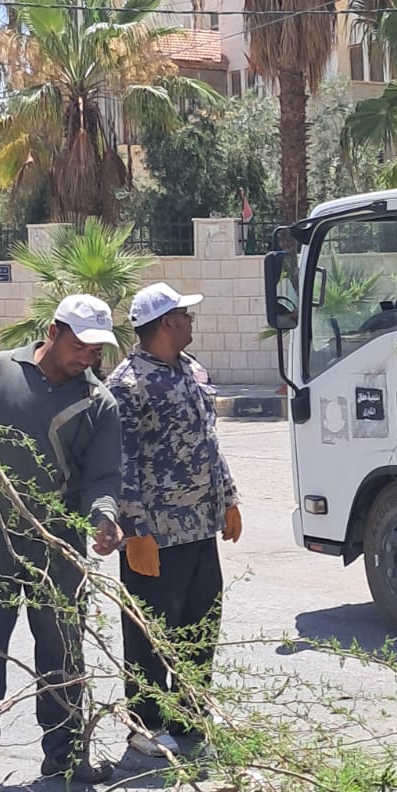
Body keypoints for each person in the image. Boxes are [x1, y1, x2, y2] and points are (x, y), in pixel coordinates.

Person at [0, 296, 124, 792]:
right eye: (80, 346)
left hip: (57, 538)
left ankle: (67, 756)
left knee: (63, 650)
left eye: (96, 350)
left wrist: (106, 519)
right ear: (52, 331)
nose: (88, 358)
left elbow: (103, 477)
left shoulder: (99, 402)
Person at [107, 282, 241, 759]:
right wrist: (135, 532)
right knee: (150, 633)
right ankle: (145, 724)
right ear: (166, 323)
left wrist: (228, 499)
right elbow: (120, 463)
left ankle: (190, 717)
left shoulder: (191, 370)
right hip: (156, 537)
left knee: (199, 627)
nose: (191, 321)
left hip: (200, 528)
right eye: (184, 314)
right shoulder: (127, 384)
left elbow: (209, 442)